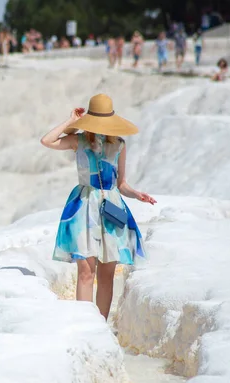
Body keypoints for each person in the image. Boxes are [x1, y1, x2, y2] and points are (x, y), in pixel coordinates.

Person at [40, 94, 155, 320]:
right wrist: (70, 123)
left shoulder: (119, 145)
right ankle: (85, 326)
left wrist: (137, 194)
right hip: (84, 206)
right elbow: (47, 141)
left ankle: (100, 326)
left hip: (111, 207)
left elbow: (121, 183)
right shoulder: (79, 141)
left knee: (106, 274)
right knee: (85, 271)